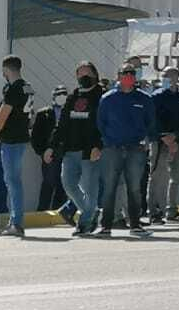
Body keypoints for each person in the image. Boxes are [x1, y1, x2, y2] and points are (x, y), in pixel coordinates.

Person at [95, 64, 154, 236]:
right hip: (112, 149)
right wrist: (107, 141)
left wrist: (146, 141)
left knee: (134, 188)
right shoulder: (108, 98)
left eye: (132, 73)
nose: (129, 76)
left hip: (136, 149)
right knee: (109, 187)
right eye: (125, 73)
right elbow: (101, 123)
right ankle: (106, 225)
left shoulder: (144, 99)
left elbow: (150, 122)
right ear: (118, 76)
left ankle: (135, 224)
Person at [48, 62, 104, 236]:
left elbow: (106, 124)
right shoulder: (73, 96)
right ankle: (92, 212)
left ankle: (85, 222)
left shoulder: (102, 96)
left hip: (90, 151)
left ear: (95, 75)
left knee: (90, 188)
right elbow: (62, 123)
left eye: (87, 73)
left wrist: (99, 145)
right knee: (69, 185)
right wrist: (52, 146)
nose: (83, 77)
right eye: (80, 74)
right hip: (70, 151)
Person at [147, 69, 179, 224]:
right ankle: (153, 211)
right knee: (156, 177)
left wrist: (175, 136)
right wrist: (165, 136)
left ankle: (171, 210)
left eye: (170, 76)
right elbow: (152, 119)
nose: (166, 79)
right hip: (160, 142)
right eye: (164, 76)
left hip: (177, 141)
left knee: (176, 178)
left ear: (177, 78)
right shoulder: (156, 96)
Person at [0, 55, 33, 236]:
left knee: (12, 182)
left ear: (6, 69)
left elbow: (1, 119)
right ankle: (15, 221)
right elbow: (15, 113)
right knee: (14, 181)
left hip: (11, 140)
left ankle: (16, 223)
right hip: (21, 138)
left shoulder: (12, 89)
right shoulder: (27, 86)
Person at [30, 85, 67, 212]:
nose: (62, 97)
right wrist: (41, 152)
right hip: (49, 154)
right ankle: (42, 210)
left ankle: (59, 211)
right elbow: (35, 136)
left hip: (66, 153)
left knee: (63, 184)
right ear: (54, 96)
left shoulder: (70, 112)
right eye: (59, 94)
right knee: (49, 182)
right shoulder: (43, 113)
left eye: (64, 94)